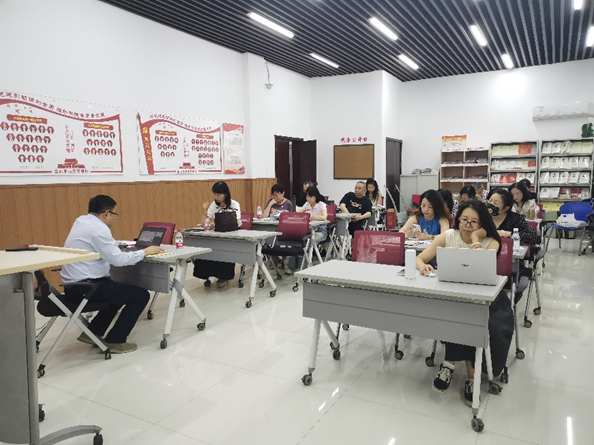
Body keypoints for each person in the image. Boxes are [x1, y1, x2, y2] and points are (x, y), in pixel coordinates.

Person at [416, 200, 501, 406]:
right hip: (452, 296)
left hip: (483, 299)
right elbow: (420, 258)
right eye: (464, 220)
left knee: (467, 315)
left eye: (474, 222)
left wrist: (475, 239)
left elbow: (482, 267)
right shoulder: (449, 236)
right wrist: (423, 267)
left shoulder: (491, 242)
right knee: (455, 311)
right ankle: (467, 371)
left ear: (483, 223)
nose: (467, 225)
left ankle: (452, 364)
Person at [60, 195, 163, 353]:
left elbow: (96, 244)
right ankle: (116, 340)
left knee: (117, 291)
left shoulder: (81, 221)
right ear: (106, 214)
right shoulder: (99, 229)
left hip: (73, 287)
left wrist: (115, 245)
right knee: (141, 295)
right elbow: (118, 260)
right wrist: (145, 252)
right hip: (88, 288)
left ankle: (93, 332)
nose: (114, 218)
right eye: (114, 214)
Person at [193, 181, 241, 288]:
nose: (216, 197)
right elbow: (203, 223)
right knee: (207, 248)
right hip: (216, 235)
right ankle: (207, 274)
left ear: (226, 194)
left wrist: (217, 223)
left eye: (218, 195)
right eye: (214, 194)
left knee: (224, 250)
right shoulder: (213, 205)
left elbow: (237, 222)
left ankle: (223, 277)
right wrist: (205, 211)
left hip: (230, 236)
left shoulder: (234, 204)